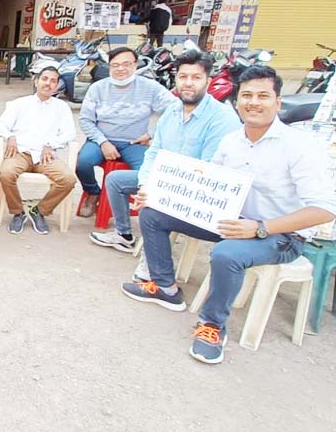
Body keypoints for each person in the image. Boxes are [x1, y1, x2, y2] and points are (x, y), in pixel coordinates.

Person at [121, 66, 336, 365]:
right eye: (246, 95)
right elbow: (208, 184)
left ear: (278, 102)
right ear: (236, 101)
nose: (254, 102)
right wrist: (156, 194)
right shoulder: (232, 141)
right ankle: (165, 287)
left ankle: (212, 325)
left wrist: (260, 228)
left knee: (226, 254)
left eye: (263, 95)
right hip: (231, 219)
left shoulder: (299, 147)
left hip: (280, 235)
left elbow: (324, 209)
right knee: (154, 213)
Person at [90, 49, 241, 255]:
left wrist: (158, 191)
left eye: (196, 77)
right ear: (176, 78)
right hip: (163, 179)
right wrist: (145, 184)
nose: (188, 83)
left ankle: (152, 266)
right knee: (115, 179)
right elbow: (154, 153)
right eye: (183, 77)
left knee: (151, 212)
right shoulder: (172, 111)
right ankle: (124, 235)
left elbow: (208, 171)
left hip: (194, 191)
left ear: (208, 80)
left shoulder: (221, 118)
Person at [76, 47, 173, 219]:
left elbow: (176, 110)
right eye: (116, 65)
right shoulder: (98, 88)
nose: (121, 69)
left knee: (148, 173)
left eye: (126, 64)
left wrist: (152, 133)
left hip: (134, 142)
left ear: (135, 65)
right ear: (110, 67)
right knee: (82, 163)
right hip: (101, 139)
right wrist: (103, 142)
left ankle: (124, 203)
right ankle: (92, 192)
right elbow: (85, 120)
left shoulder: (150, 88)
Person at [0, 65, 77, 235]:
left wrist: (51, 144)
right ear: (36, 81)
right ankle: (18, 212)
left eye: (53, 81)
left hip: (45, 156)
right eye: (45, 79)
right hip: (20, 153)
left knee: (68, 179)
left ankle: (39, 211)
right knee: (6, 173)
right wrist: (10, 136)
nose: (48, 84)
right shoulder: (19, 104)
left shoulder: (62, 107)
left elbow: (69, 134)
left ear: (57, 86)